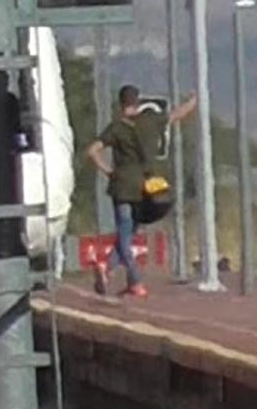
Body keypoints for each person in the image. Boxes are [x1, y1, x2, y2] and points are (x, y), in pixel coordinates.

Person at [84, 85, 196, 298]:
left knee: (124, 234)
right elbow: (176, 115)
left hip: (122, 187)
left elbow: (92, 151)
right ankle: (117, 274)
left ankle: (123, 276)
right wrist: (193, 101)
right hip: (145, 189)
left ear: (120, 103)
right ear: (138, 102)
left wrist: (108, 171)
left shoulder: (116, 128)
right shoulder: (151, 121)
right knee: (128, 234)